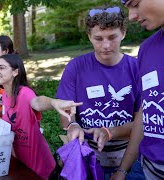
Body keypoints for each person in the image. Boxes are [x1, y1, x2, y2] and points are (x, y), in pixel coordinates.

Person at [55, 6, 144, 178]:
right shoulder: (76, 67)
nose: (106, 45)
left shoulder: (137, 69)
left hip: (128, 157)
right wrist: (72, 124)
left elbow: (142, 123)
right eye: (98, 38)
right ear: (89, 36)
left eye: (112, 37)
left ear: (123, 33)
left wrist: (109, 132)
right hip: (87, 156)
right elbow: (66, 109)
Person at [0, 54, 82, 179]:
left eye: (2, 67)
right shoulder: (5, 95)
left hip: (40, 167)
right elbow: (11, 113)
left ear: (15, 72)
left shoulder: (24, 93)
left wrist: (53, 102)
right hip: (22, 163)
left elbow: (37, 102)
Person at [111, 1, 164, 179]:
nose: (132, 15)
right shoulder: (147, 49)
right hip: (149, 168)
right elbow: (146, 107)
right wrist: (122, 169)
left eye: (135, 3)